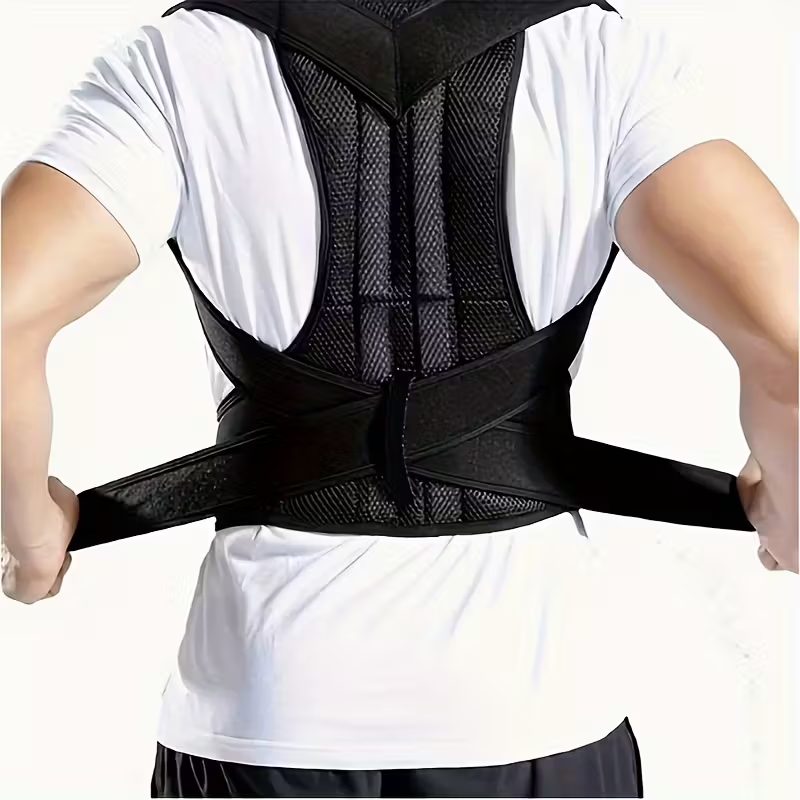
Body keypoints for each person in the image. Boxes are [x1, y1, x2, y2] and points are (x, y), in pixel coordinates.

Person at [2, 1, 796, 798]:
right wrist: (787, 512)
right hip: (535, 701)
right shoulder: (603, 57)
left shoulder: (178, 61)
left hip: (267, 701)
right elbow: (787, 339)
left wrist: (32, 536)